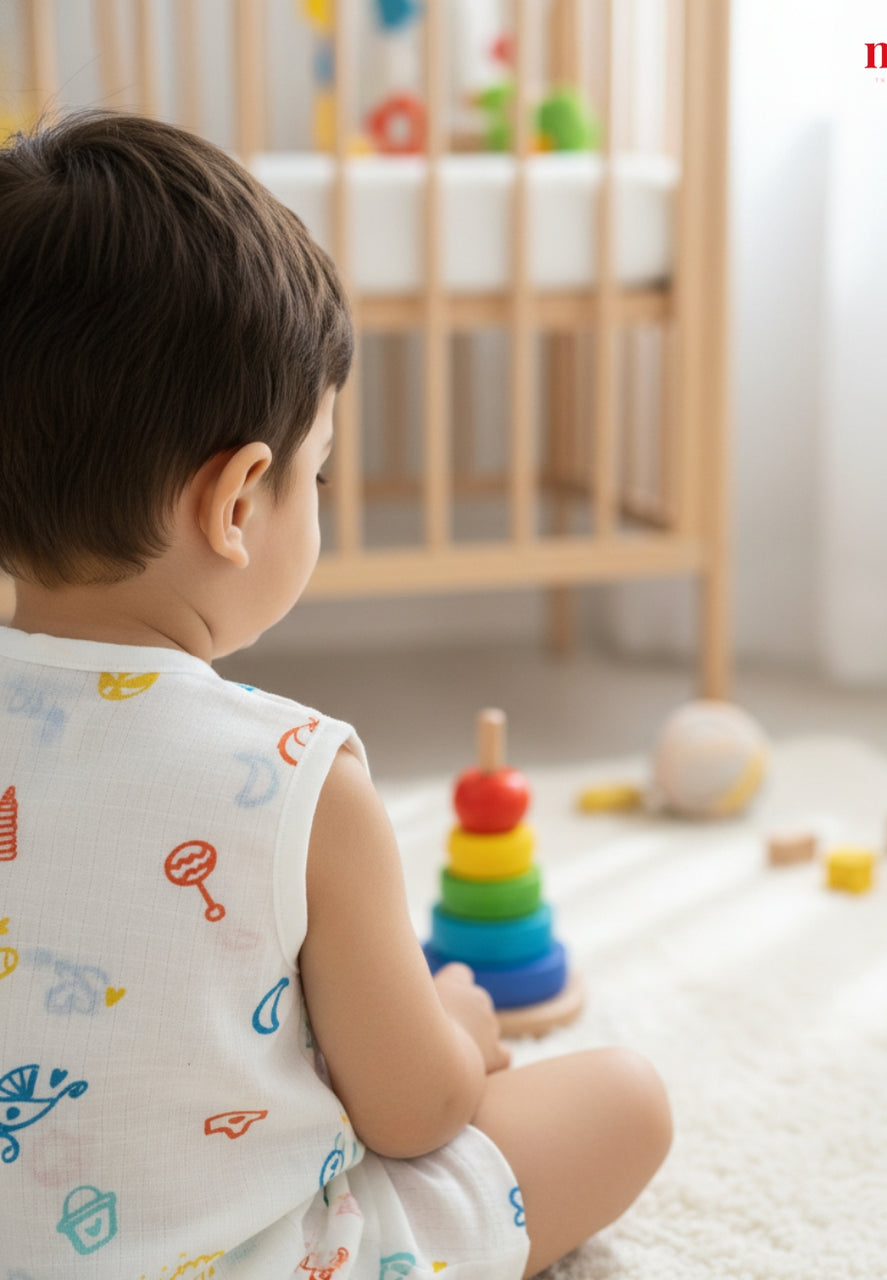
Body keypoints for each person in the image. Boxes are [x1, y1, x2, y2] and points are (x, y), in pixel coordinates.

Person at [0, 111, 672, 1280]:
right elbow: (410, 1112)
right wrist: (459, 1028)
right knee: (624, 1095)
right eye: (316, 469)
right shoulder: (301, 773)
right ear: (237, 500)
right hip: (254, 1256)